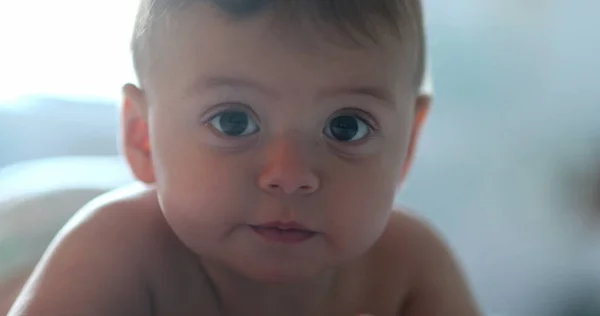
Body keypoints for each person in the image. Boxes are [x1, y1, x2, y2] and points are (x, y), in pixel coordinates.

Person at [9, 0, 481, 315]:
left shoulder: (410, 267)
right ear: (143, 137)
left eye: (347, 127)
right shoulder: (116, 250)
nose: (290, 175)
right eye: (233, 122)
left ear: (408, 144)